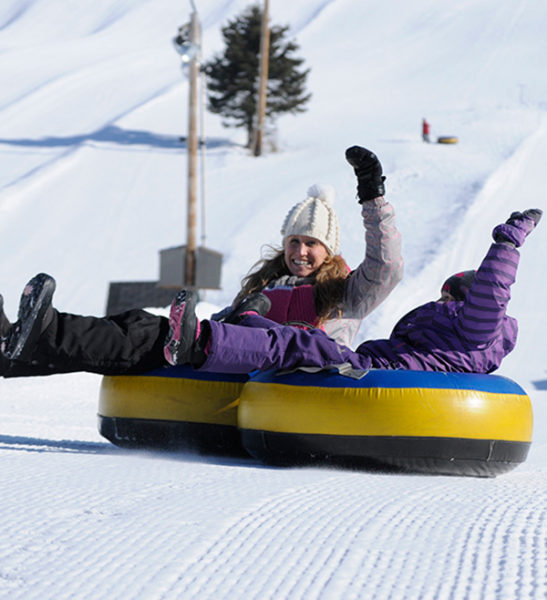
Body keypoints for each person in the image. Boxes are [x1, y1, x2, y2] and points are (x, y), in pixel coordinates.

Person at [0, 145, 402, 378]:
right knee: (139, 326)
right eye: (293, 241)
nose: (299, 252)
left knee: (144, 341)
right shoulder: (268, 284)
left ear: (328, 250)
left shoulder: (346, 294)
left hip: (283, 375)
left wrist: (372, 196)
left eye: (311, 244)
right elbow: (226, 322)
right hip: (226, 357)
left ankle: (37, 337)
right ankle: (27, 338)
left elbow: (386, 266)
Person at [161, 208, 541, 376]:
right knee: (300, 339)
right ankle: (239, 322)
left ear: (464, 300)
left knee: (306, 344)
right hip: (380, 368)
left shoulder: (478, 331)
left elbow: (491, 294)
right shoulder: (454, 340)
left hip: (383, 375)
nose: (440, 303)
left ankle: (203, 340)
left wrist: (507, 244)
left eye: (447, 298)